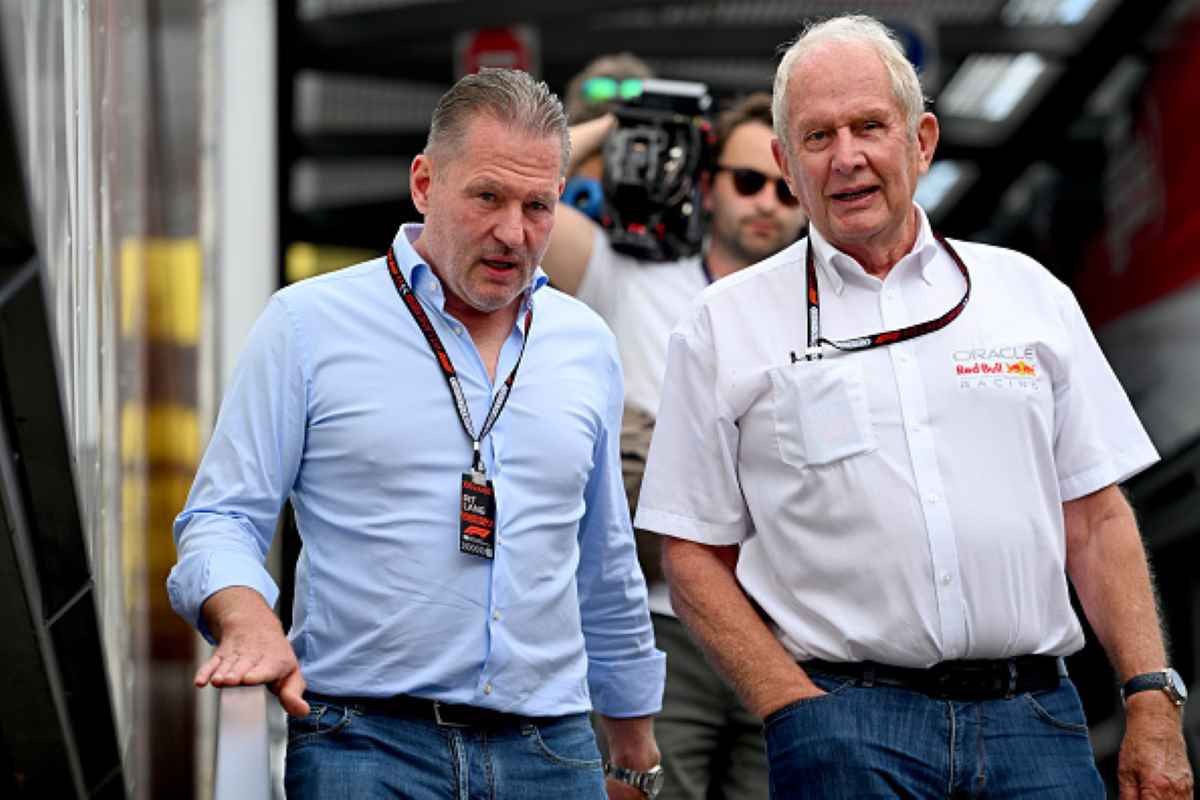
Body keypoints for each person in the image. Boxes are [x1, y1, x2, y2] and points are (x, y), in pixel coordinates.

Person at [635, 14, 1193, 800]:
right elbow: (691, 553)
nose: (848, 157)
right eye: (818, 137)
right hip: (847, 729)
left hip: (1036, 724)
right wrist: (792, 707)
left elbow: (1097, 519)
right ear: (786, 165)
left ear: (922, 140)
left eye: (870, 126)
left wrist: (1151, 699)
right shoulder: (723, 325)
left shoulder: (1027, 294)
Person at [168, 68, 665, 799]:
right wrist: (247, 621)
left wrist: (631, 745)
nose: (512, 232)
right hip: (364, 748)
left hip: (551, 755)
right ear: (424, 183)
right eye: (487, 197)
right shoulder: (307, 325)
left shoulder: (585, 342)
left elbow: (605, 559)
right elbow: (219, 519)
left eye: (537, 206)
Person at [542, 87, 807, 800]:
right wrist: (623, 127)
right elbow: (523, 185)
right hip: (658, 623)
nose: (768, 203)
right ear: (707, 182)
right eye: (748, 180)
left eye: (788, 188)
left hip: (793, 628)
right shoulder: (628, 276)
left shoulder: (831, 308)